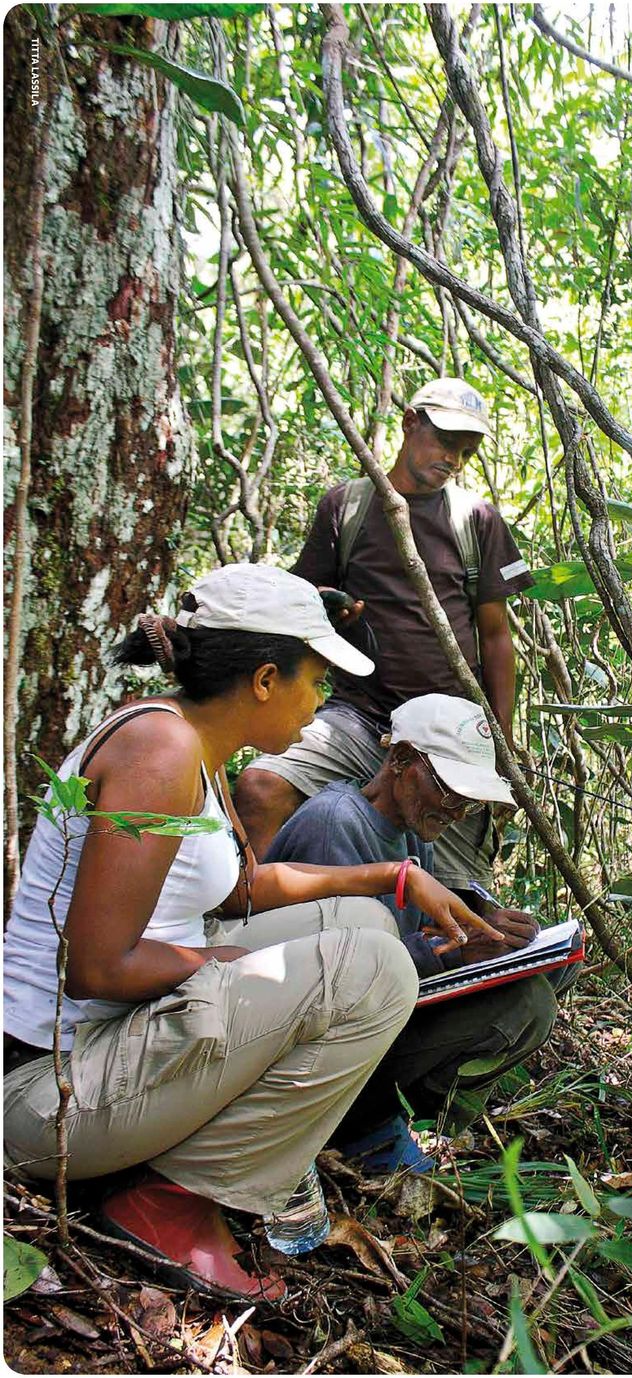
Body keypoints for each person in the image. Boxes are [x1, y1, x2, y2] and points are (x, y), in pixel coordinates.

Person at [3, 563, 503, 1301]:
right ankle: (167, 1207)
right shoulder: (160, 752)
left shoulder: (195, 749)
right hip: (47, 1096)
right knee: (376, 972)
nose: (324, 701)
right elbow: (97, 970)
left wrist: (391, 880)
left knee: (368, 928)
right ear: (265, 679)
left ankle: (175, 1172)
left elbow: (241, 888)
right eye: (315, 679)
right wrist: (218, 966)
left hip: (104, 1060)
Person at [235, 378, 534, 892]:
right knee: (261, 788)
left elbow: (497, 636)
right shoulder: (346, 508)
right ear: (410, 422)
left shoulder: (477, 521)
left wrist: (501, 744)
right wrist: (330, 607)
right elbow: (302, 605)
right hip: (359, 714)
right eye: (445, 441)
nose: (453, 459)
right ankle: (250, 926)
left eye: (466, 451)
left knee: (461, 892)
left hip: (448, 734)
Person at [262, 694, 571, 1167]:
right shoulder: (336, 824)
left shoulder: (408, 832)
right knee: (526, 1005)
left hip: (373, 1017)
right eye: (449, 792)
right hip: (316, 1048)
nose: (458, 812)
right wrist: (451, 954)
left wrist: (476, 926)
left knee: (547, 977)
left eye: (469, 802)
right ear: (401, 761)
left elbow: (407, 931)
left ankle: (384, 1120)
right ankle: (359, 1126)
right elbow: (332, 980)